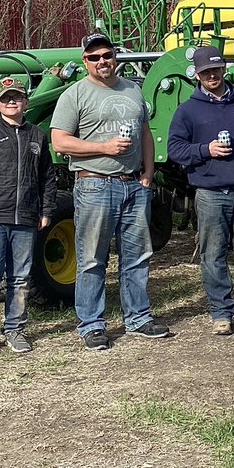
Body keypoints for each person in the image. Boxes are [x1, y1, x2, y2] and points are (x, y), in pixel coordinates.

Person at [50, 33, 169, 351]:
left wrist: (148, 172)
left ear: (115, 56)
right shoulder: (75, 94)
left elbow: (145, 131)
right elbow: (60, 141)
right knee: (92, 258)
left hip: (133, 185)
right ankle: (91, 324)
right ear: (84, 61)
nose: (102, 61)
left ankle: (139, 318)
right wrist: (103, 147)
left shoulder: (132, 88)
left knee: (138, 256)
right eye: (94, 57)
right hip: (94, 184)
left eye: (106, 54)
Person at [168, 46, 234, 334]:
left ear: (224, 69)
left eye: (215, 70)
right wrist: (206, 150)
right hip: (211, 193)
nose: (211, 75)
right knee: (213, 255)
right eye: (205, 72)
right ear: (198, 75)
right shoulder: (188, 110)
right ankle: (221, 313)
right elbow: (175, 149)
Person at [0, 77, 57, 355]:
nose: (11, 102)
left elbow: (48, 178)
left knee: (20, 278)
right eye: (6, 98)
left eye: (16, 97)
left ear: (26, 102)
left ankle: (15, 329)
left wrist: (46, 210)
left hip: (27, 219)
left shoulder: (37, 136)